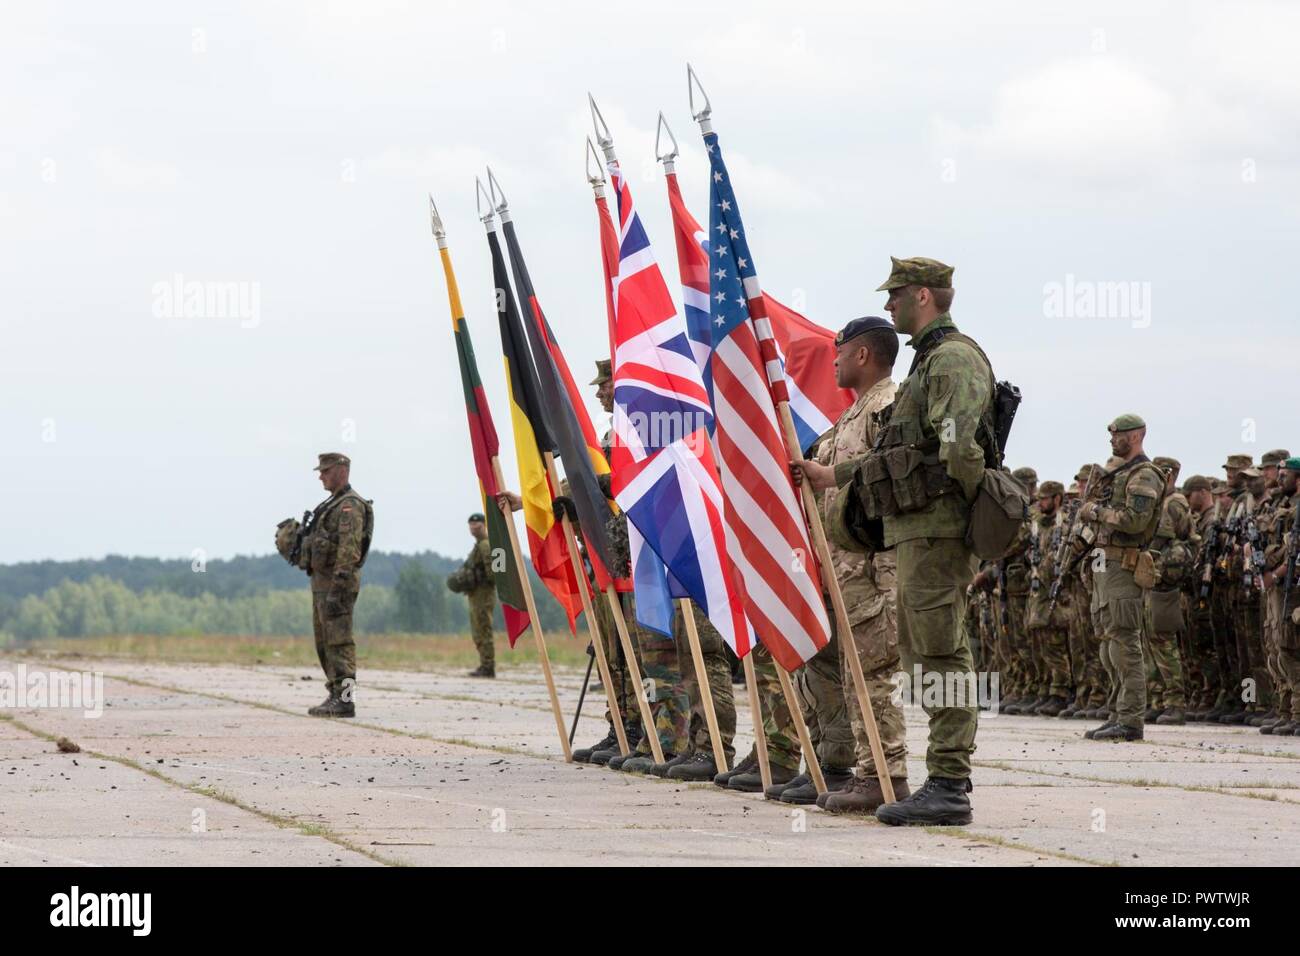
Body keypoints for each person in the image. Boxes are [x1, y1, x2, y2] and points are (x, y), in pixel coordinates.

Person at [798, 256, 992, 826]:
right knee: (925, 655)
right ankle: (941, 780)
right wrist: (833, 477)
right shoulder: (927, 363)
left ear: (926, 297)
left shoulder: (951, 359)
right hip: (916, 530)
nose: (889, 306)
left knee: (941, 655)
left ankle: (950, 785)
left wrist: (962, 509)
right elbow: (895, 456)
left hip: (936, 528)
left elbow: (958, 449)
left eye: (897, 295)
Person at [800, 315, 909, 814]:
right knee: (855, 673)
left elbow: (888, 475)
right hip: (846, 568)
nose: (835, 359)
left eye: (840, 351)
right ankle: (870, 772)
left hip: (871, 566)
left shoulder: (886, 405)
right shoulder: (854, 413)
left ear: (862, 355)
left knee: (874, 673)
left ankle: (888, 774)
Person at [1077, 416, 1165, 741]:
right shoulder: (1117, 474)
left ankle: (1130, 722)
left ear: (1138, 435)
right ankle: (1116, 714)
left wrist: (1096, 512)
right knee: (1107, 645)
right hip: (1104, 565)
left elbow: (1134, 521)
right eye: (1112, 434)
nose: (1114, 439)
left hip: (1124, 567)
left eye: (1121, 435)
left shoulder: (1144, 475)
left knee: (1125, 644)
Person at [302, 453, 373, 718]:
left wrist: (338, 588)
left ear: (342, 471)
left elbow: (349, 551)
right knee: (325, 643)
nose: (321, 475)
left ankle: (344, 701)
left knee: (339, 642)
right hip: (323, 584)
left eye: (326, 470)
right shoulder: (333, 504)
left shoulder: (350, 506)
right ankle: (335, 693)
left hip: (337, 586)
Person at [446, 513, 496, 678]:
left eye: (477, 525)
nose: (474, 528)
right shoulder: (480, 545)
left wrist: (476, 578)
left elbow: (494, 574)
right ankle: (484, 664)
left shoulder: (486, 546)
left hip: (484, 593)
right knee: (478, 630)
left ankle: (488, 666)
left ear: (484, 525)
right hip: (476, 594)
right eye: (471, 525)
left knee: (483, 629)